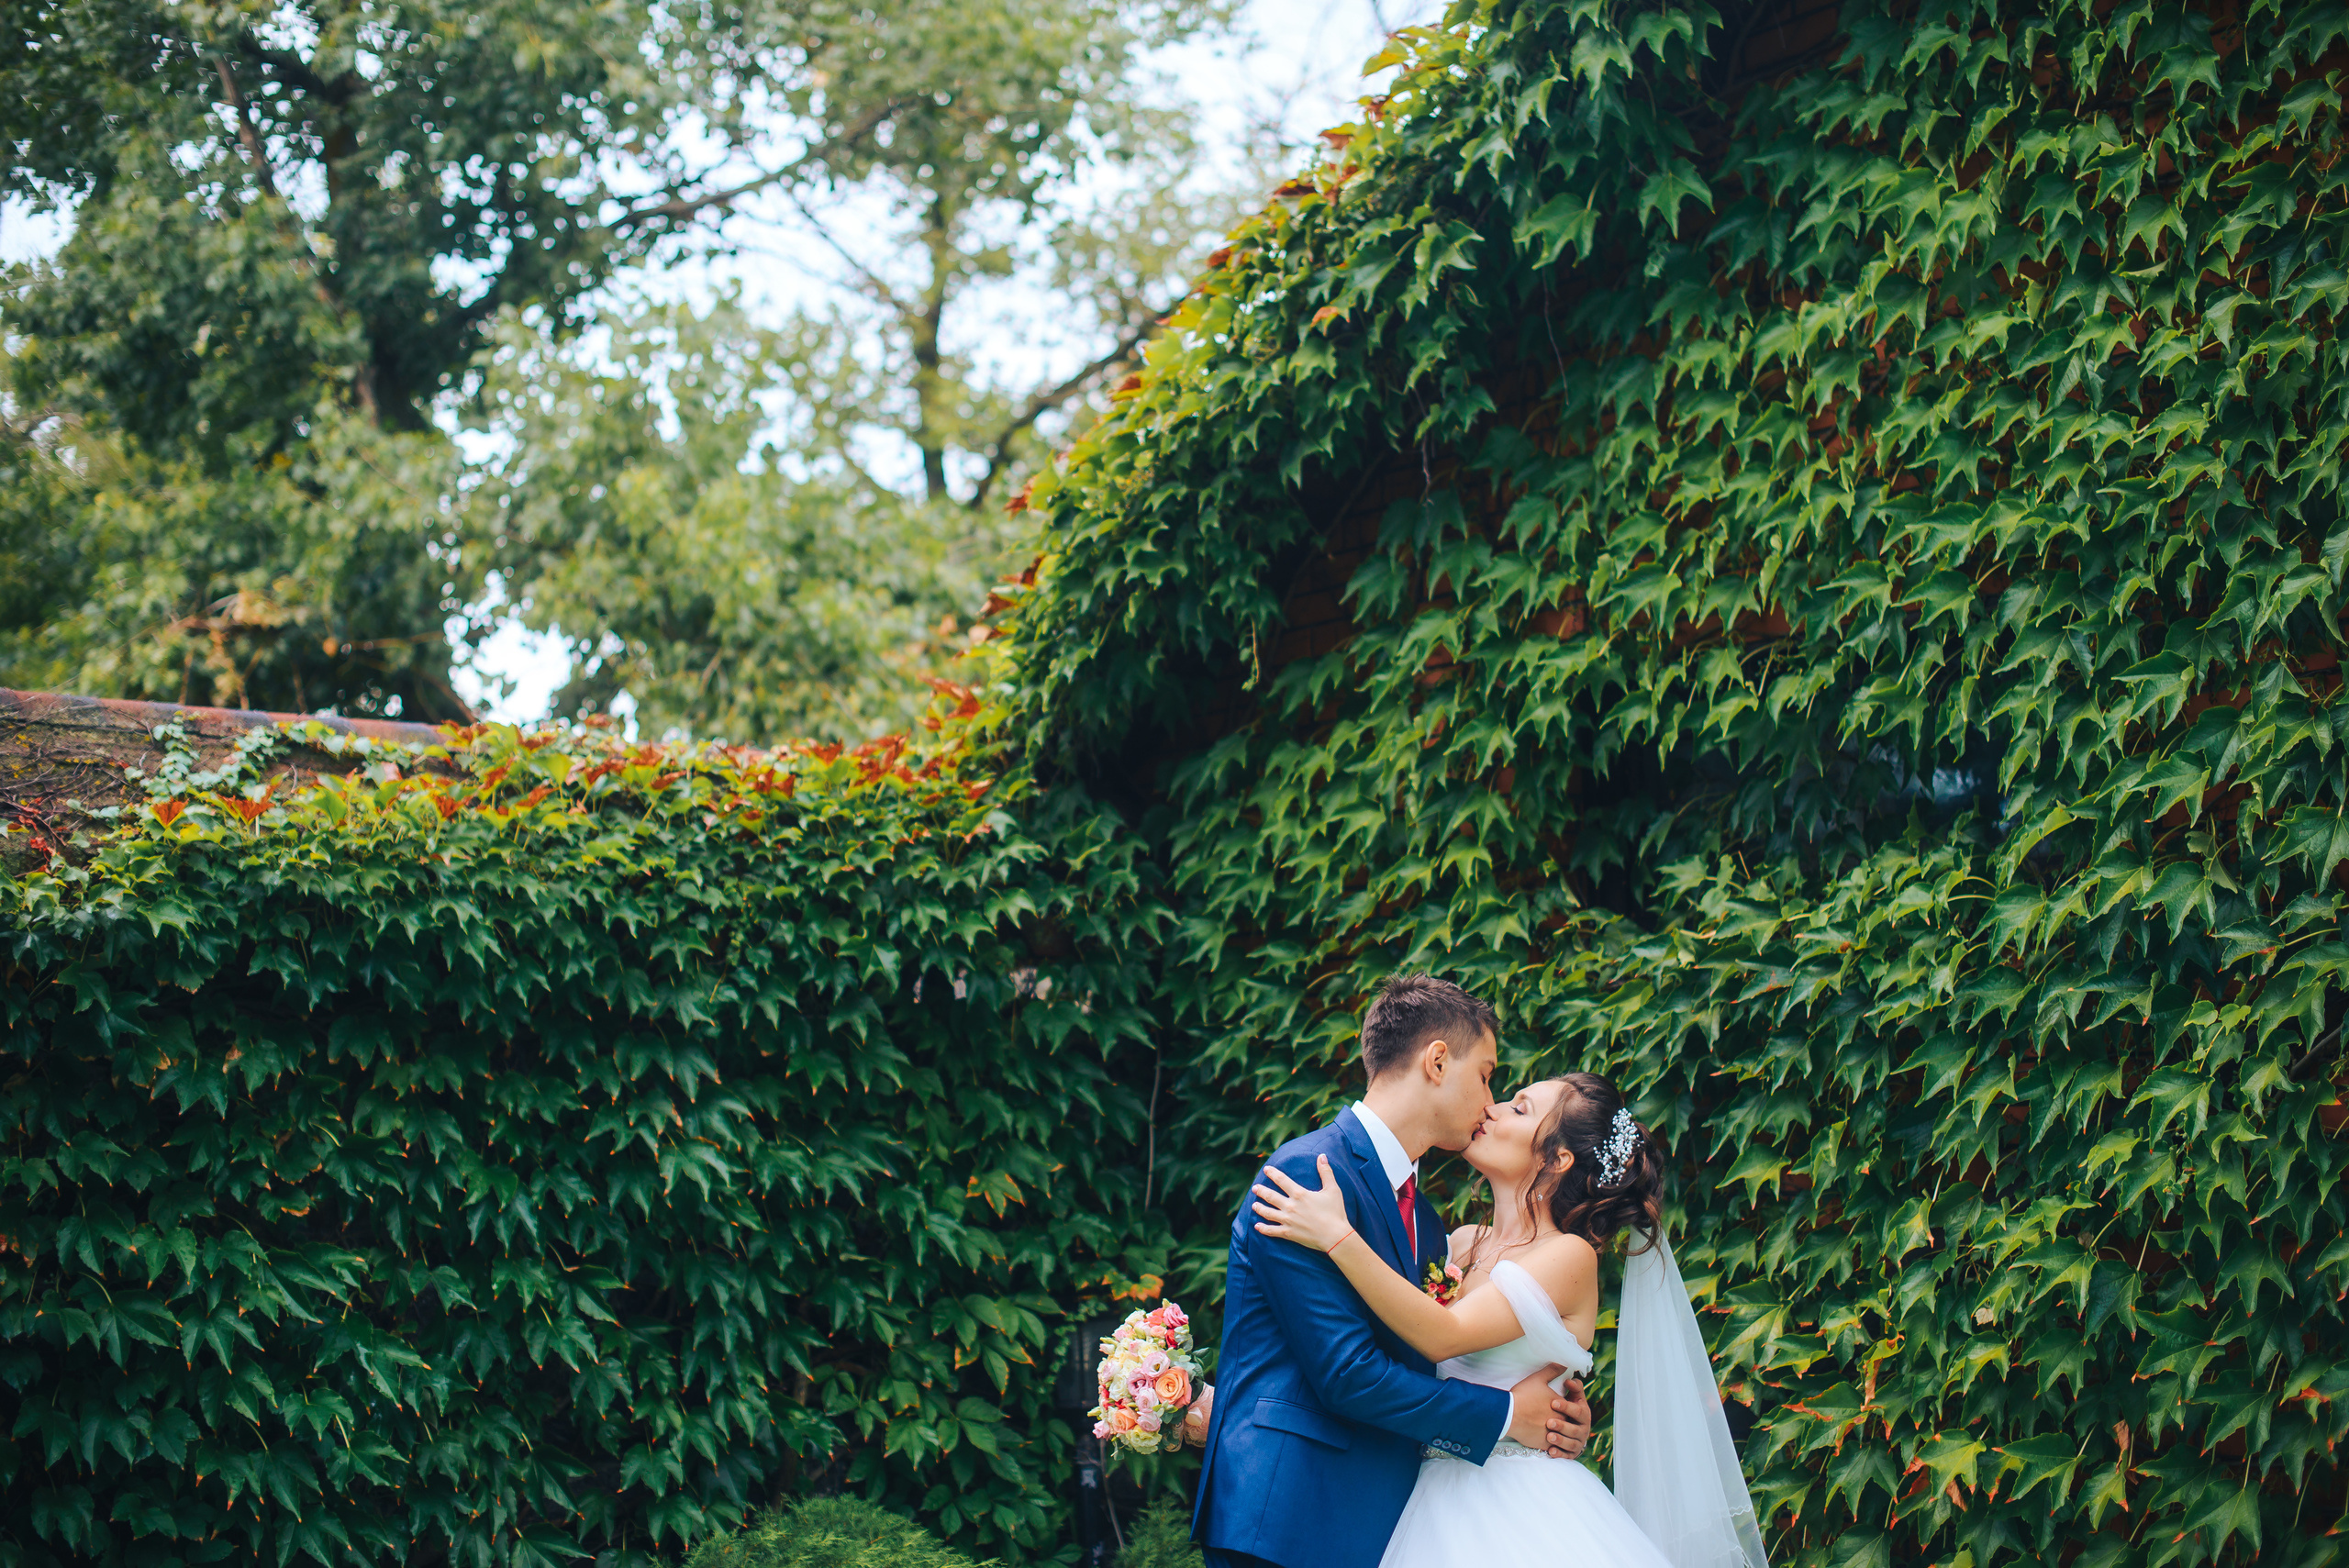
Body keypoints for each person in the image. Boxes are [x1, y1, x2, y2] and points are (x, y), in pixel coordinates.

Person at [1248, 1070, 1769, 1568]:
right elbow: (1378, 1347)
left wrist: (1337, 1237)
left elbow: (1443, 1336)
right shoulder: (1455, 1244)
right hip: (1422, 1497)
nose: (1491, 1108)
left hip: (1520, 1509)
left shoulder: (1569, 1255)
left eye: (1519, 1108)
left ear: (1557, 1159)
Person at [1186, 975, 1593, 1568]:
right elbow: (1347, 1372)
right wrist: (1507, 1416)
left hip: (1385, 1521)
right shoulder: (1308, 1175)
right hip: (1288, 1514)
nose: (1490, 1101)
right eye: (1486, 1075)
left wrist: (1556, 1409)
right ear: (1437, 1061)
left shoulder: (1427, 1223)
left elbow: (1429, 1348)